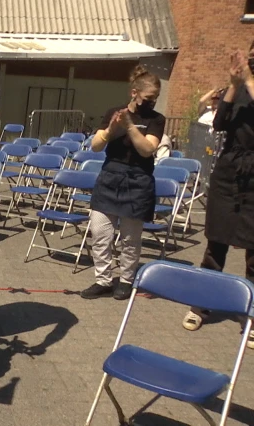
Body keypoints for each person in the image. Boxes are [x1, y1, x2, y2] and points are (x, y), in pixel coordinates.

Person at [182, 47, 254, 347]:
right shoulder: (237, 89)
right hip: (229, 174)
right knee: (216, 243)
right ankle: (202, 304)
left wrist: (248, 80)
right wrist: (235, 85)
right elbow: (220, 123)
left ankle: (251, 315)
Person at [81, 65, 165, 301]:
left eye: (156, 98)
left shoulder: (157, 119)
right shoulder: (113, 112)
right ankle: (103, 279)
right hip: (110, 177)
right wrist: (112, 128)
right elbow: (96, 146)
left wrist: (129, 126)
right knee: (100, 232)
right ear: (134, 93)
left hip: (138, 180)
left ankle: (126, 280)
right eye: (149, 98)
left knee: (130, 239)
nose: (153, 102)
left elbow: (147, 149)